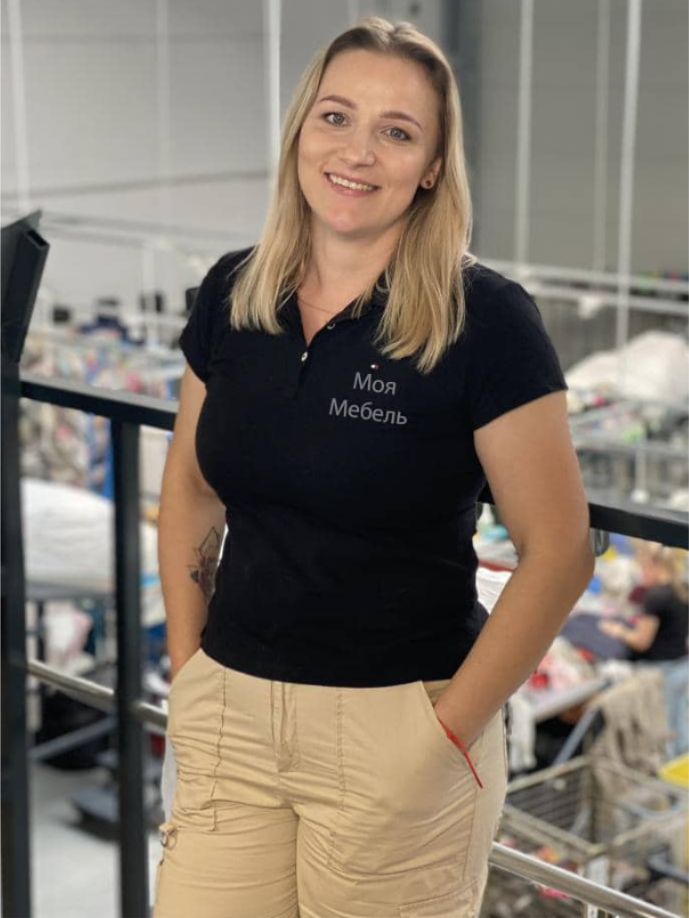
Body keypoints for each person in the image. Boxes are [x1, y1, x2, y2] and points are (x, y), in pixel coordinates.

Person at [154, 16, 594, 918]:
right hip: (230, 710)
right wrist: (189, 663)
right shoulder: (234, 292)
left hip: (397, 723)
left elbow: (558, 552)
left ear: (431, 166)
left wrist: (442, 734)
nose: (357, 151)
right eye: (336, 117)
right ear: (300, 132)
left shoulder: (484, 321)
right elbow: (193, 487)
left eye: (396, 131)